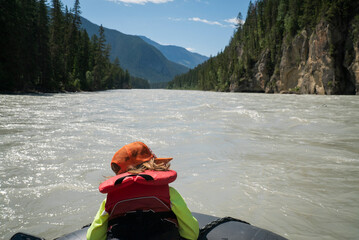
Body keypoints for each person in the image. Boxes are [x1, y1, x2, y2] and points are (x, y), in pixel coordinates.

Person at [86, 141, 199, 240]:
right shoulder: (168, 193)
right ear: (152, 165)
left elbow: (93, 237)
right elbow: (191, 234)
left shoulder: (110, 199)